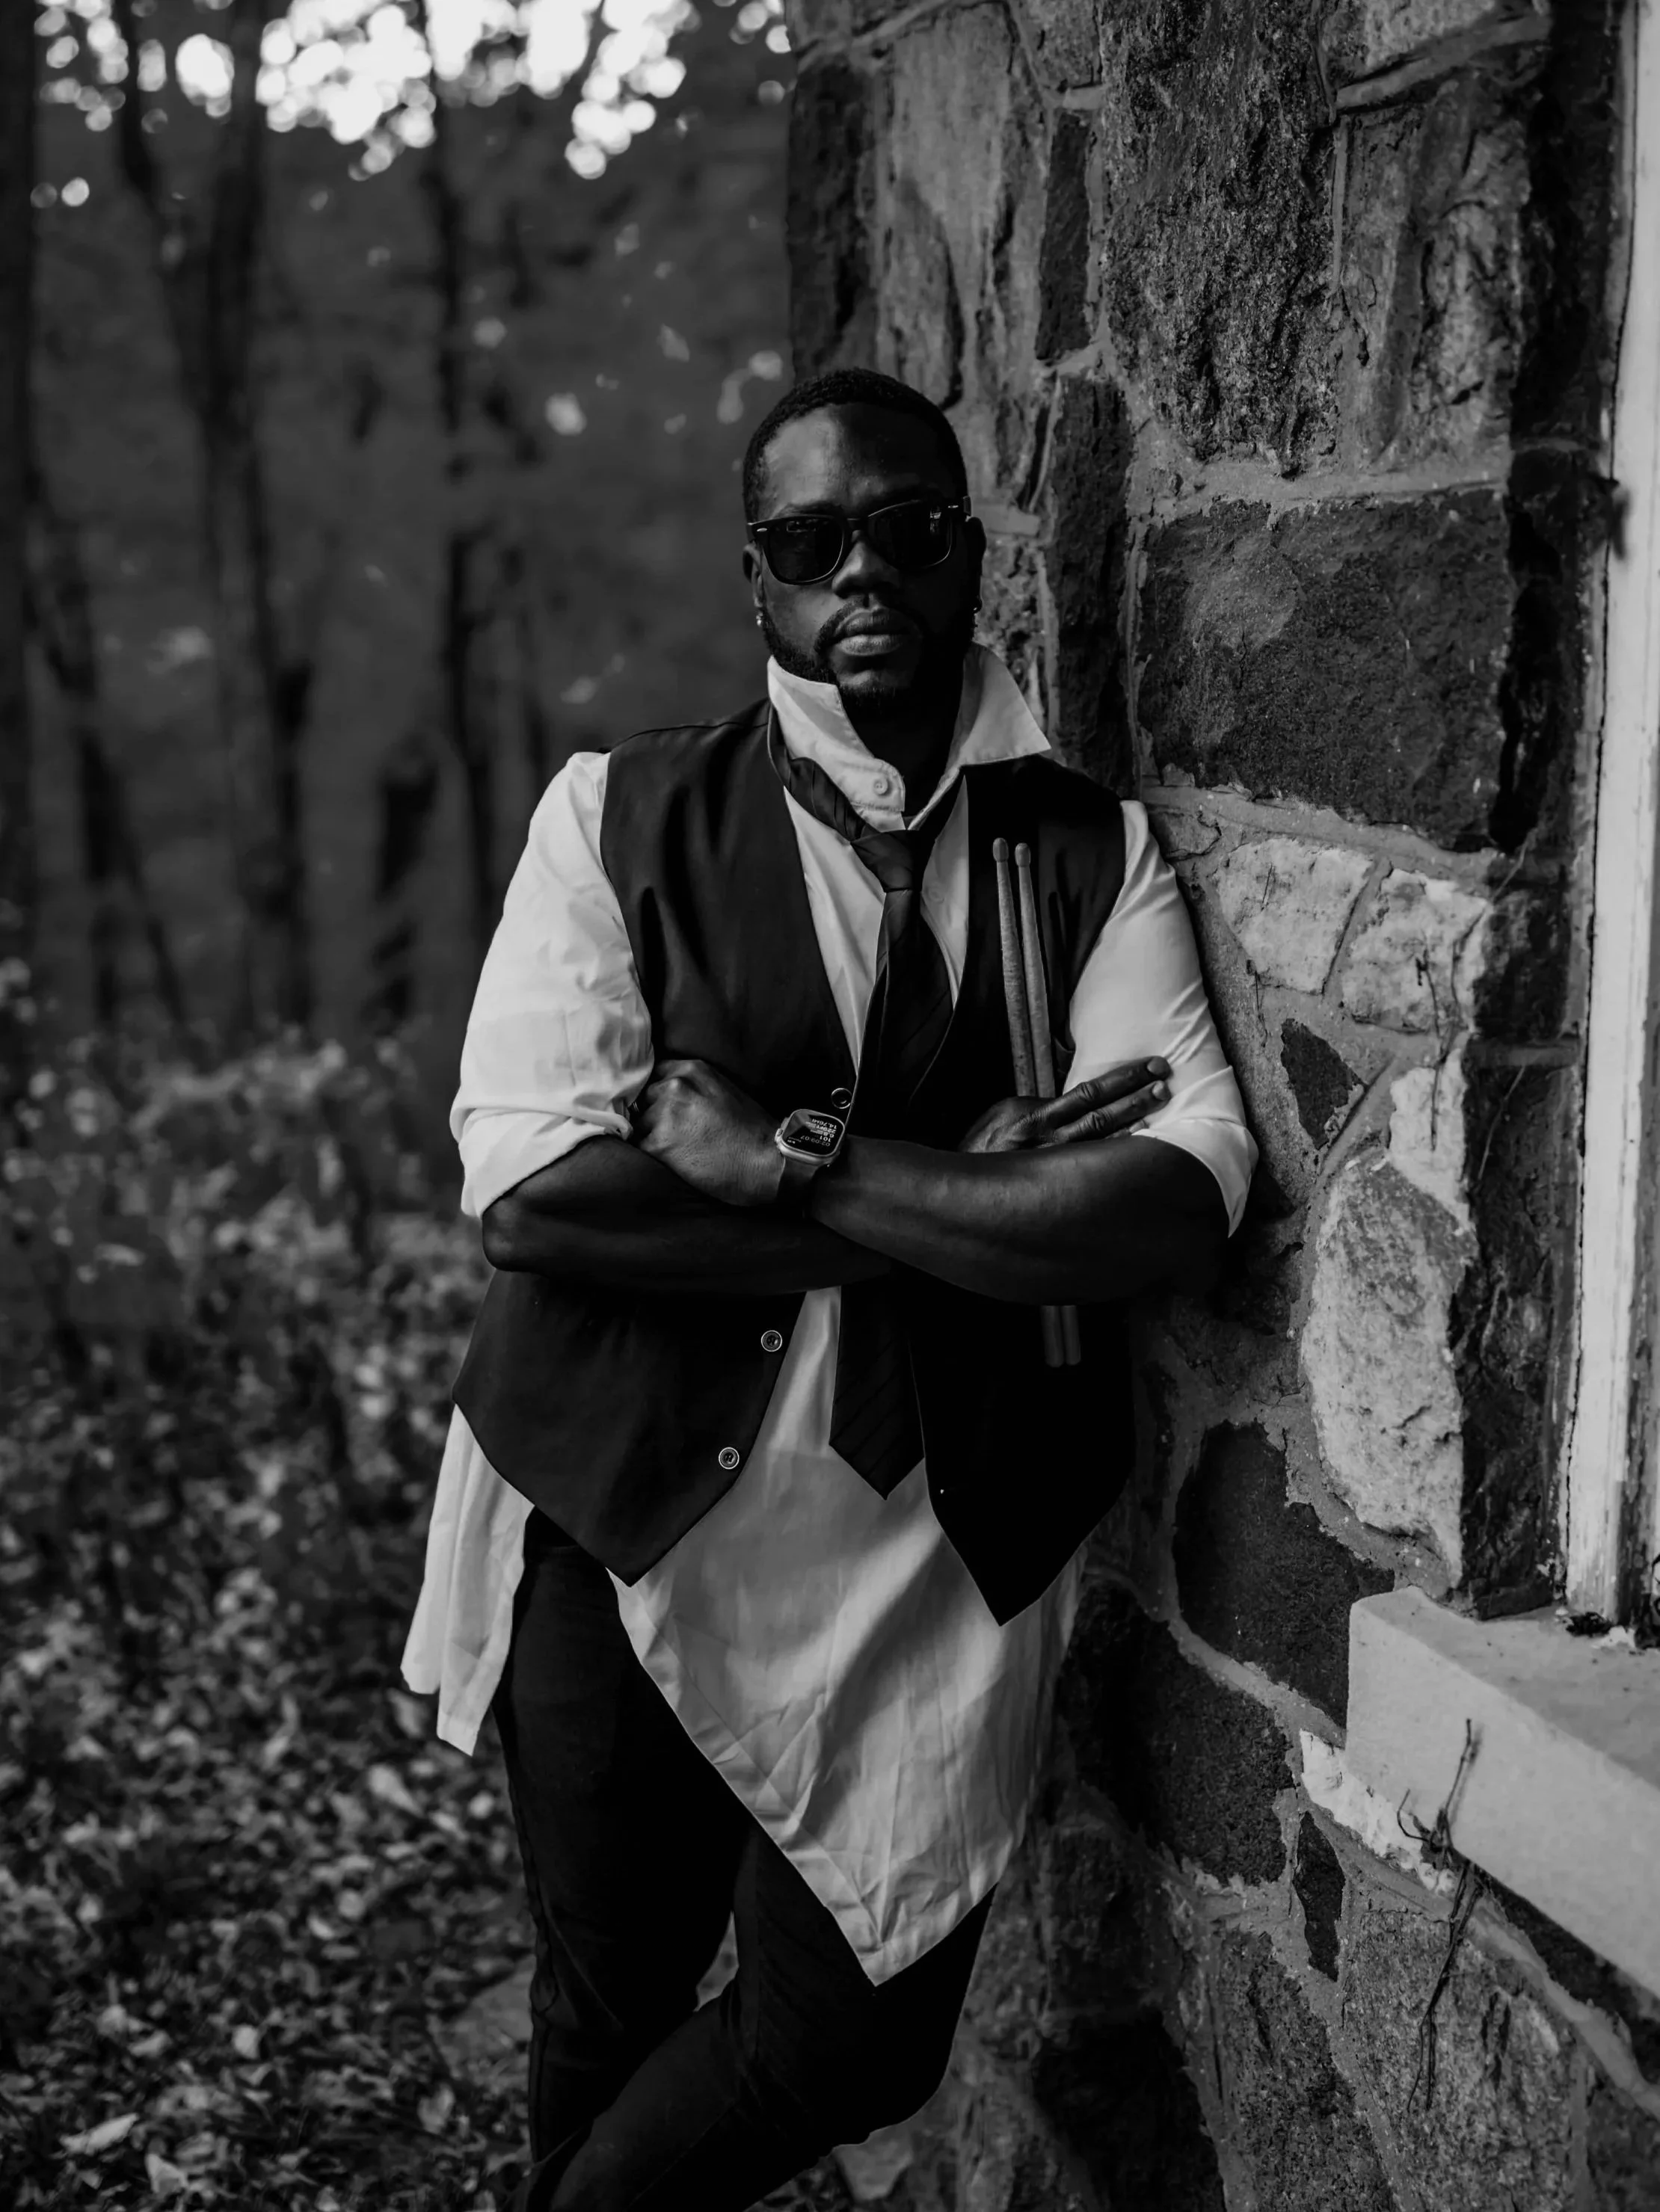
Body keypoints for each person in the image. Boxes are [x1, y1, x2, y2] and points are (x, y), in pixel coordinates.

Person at [402, 367, 1255, 2210]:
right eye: (808, 541)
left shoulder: (1090, 855)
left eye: (901, 528)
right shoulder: (611, 820)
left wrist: (800, 1160)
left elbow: (1172, 1204)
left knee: (852, 2043)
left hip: (927, 1565)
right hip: (630, 1516)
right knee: (610, 2004)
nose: (857, 567)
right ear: (757, 581)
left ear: (965, 549)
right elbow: (538, 1199)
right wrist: (967, 1200)